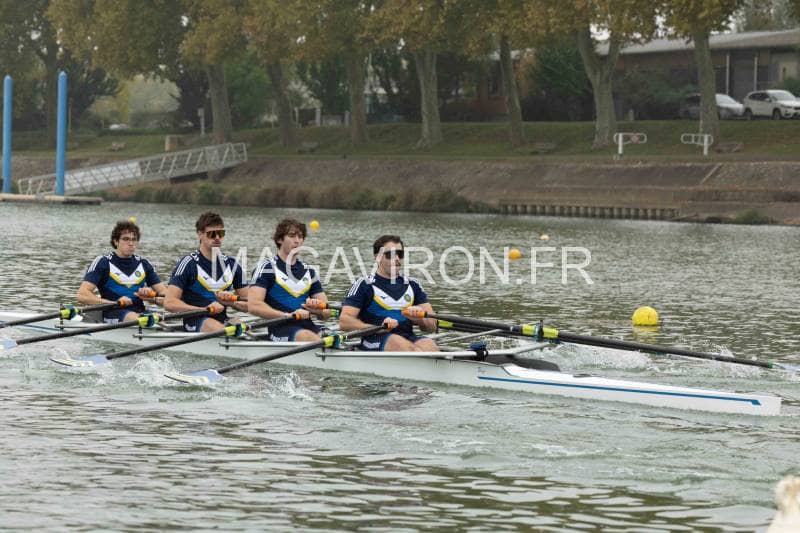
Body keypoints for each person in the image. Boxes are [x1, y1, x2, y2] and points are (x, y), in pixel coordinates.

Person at [340, 235, 438, 351]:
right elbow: (344, 322)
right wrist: (378, 327)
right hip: (374, 339)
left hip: (408, 337)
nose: (396, 258)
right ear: (377, 257)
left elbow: (432, 327)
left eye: (400, 254)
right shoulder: (364, 284)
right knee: (396, 341)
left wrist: (420, 319)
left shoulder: (413, 285)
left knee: (429, 344)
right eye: (390, 254)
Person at [248, 218, 330, 342]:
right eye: (292, 236)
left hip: (308, 326)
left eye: (300, 237)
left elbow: (327, 313)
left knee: (334, 337)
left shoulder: (309, 271)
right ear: (279, 239)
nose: (297, 240)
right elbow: (254, 306)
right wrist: (287, 315)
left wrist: (318, 310)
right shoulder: (267, 268)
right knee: (308, 337)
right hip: (281, 328)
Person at [163, 212, 248, 332]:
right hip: (195, 320)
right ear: (200, 234)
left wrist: (232, 303)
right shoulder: (188, 263)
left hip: (222, 319)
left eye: (221, 233)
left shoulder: (232, 264)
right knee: (220, 329)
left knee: (243, 327)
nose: (217, 238)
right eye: (212, 234)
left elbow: (250, 304)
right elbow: (169, 303)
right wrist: (203, 309)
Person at [77, 220, 167, 323]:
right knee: (139, 319)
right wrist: (114, 302)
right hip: (113, 312)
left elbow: (166, 296)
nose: (131, 243)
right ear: (116, 241)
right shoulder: (103, 262)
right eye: (126, 239)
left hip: (140, 312)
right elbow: (82, 295)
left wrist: (152, 296)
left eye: (134, 240)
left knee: (159, 319)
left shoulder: (144, 263)